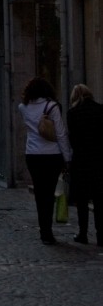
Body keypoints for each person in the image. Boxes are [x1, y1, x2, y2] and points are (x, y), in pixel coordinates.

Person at [18, 76, 72, 245]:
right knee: (49, 193)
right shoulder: (52, 106)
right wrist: (67, 157)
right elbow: (61, 133)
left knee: (40, 194)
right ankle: (47, 232)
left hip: (33, 154)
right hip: (52, 155)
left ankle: (44, 231)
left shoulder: (23, 107)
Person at [67, 83, 103, 245]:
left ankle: (83, 234)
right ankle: (101, 235)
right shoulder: (100, 110)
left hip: (81, 161)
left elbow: (72, 139)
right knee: (99, 199)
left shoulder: (72, 113)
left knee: (82, 201)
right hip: (99, 160)